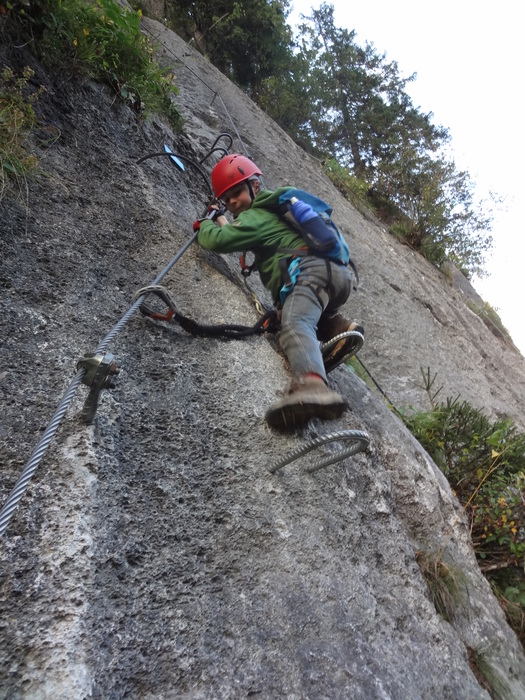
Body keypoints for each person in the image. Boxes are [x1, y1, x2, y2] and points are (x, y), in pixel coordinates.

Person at [194, 154, 363, 430]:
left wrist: (205, 225)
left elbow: (221, 239)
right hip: (338, 277)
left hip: (310, 273)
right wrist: (224, 218)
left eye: (236, 193)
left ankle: (312, 385)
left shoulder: (256, 217)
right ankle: (336, 326)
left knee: (295, 324)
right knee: (303, 310)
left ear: (255, 186)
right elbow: (239, 230)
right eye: (226, 200)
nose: (232, 202)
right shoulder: (274, 210)